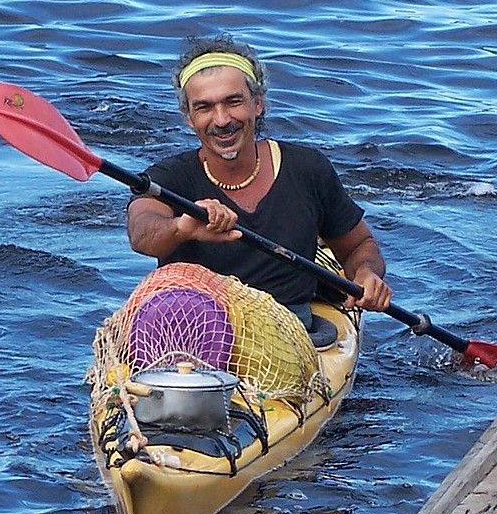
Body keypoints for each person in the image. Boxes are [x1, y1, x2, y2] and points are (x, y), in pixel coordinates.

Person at [127, 34, 392, 339]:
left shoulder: (307, 168)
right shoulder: (167, 178)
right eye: (204, 107)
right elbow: (142, 233)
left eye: (233, 101)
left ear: (258, 104)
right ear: (189, 118)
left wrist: (366, 274)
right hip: (193, 328)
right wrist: (181, 228)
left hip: (290, 329)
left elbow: (360, 246)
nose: (222, 119)